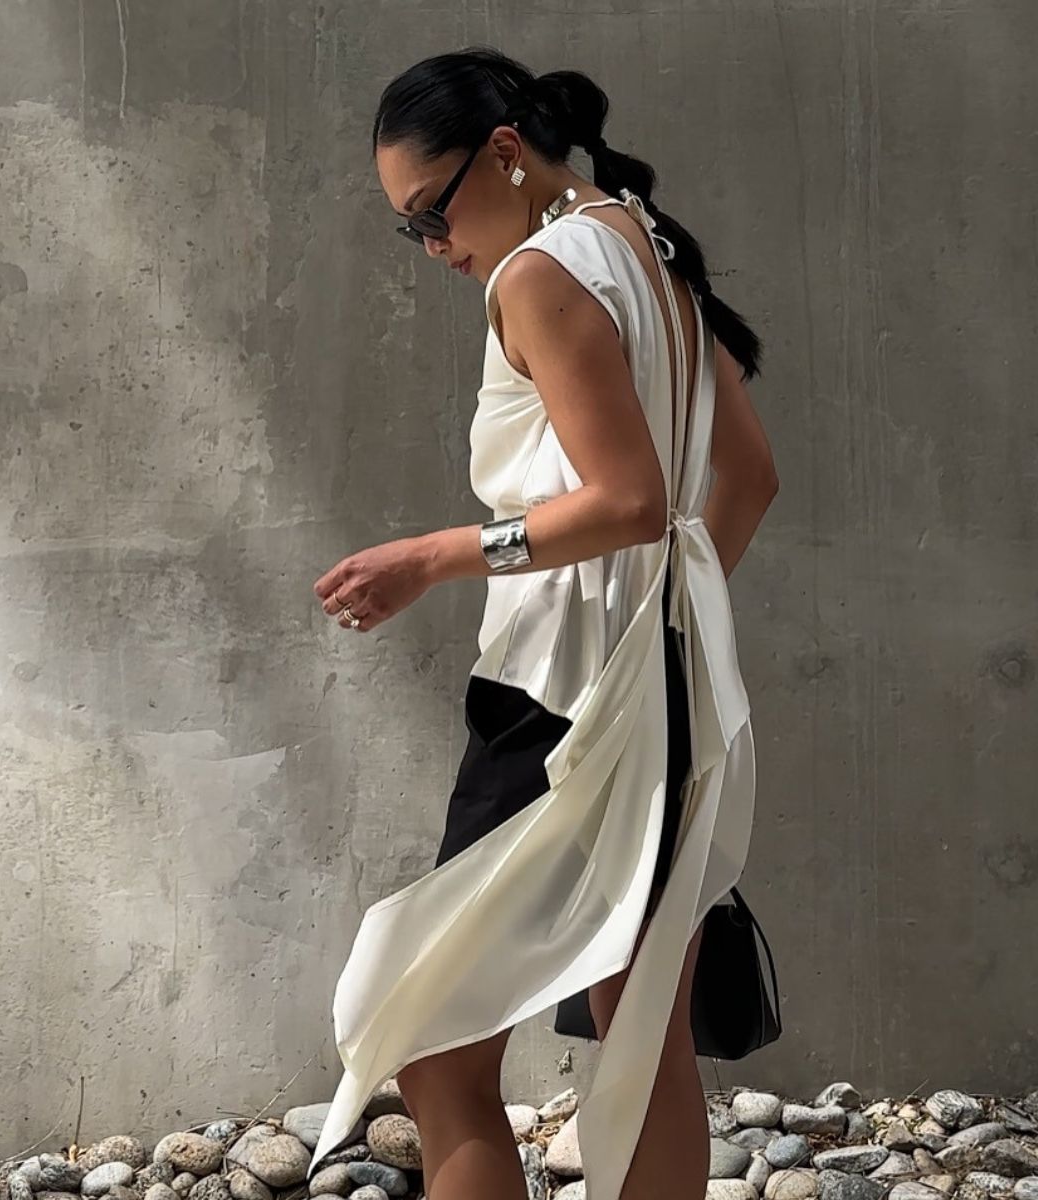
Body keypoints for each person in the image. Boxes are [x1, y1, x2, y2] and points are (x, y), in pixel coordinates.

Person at [310, 46, 779, 1200]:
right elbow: (745, 480)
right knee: (639, 1022)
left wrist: (434, 556)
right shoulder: (646, 242)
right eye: (408, 231)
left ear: (507, 154)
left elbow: (628, 502)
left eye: (434, 211)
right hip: (655, 683)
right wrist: (672, 616)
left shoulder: (536, 273)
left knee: (429, 1044)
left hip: (553, 699)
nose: (434, 248)